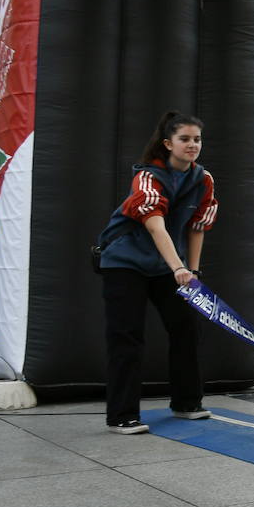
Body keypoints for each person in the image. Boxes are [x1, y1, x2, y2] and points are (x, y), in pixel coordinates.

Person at [95, 111, 217, 434]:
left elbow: (197, 227)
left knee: (186, 329)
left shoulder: (203, 180)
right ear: (168, 143)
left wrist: (192, 270)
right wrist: (178, 267)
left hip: (167, 264)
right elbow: (155, 225)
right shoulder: (147, 177)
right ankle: (122, 416)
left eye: (197, 139)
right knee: (127, 336)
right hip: (125, 261)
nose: (193, 145)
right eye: (185, 139)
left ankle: (187, 403)